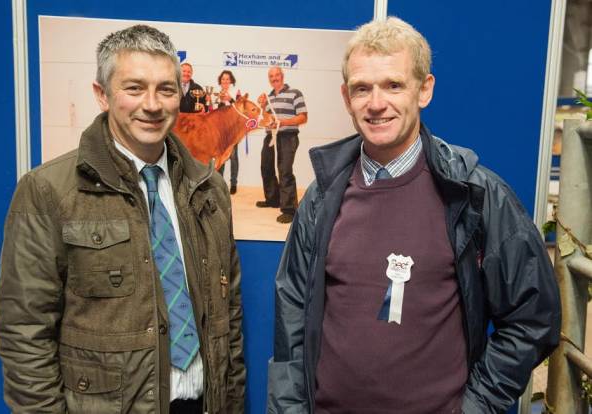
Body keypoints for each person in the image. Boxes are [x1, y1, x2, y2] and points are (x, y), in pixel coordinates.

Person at [267, 17, 560, 414]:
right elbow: (292, 323)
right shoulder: (322, 197)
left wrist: (475, 407)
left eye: (393, 85)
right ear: (345, 97)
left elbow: (532, 319)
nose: (375, 103)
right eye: (361, 88)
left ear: (424, 90)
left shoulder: (475, 194)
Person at [0, 24, 245, 414]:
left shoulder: (208, 189)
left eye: (166, 89)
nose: (152, 104)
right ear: (102, 94)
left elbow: (228, 317)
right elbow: (24, 332)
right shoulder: (47, 191)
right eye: (134, 88)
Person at [257, 66, 308, 224]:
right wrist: (262, 105)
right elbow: (265, 119)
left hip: (288, 136)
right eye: (271, 76)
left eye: (276, 75)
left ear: (282, 76)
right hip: (271, 136)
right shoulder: (268, 97)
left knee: (285, 170)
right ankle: (273, 199)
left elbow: (303, 117)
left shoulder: (295, 93)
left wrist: (283, 122)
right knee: (266, 167)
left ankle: (289, 209)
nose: (274, 78)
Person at [215, 69, 240, 194]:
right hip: (220, 132)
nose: (225, 81)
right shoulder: (216, 94)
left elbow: (239, 111)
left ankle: (234, 184)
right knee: (221, 158)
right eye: (223, 79)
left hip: (232, 131)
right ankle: (220, 183)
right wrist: (218, 101)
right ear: (220, 81)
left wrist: (230, 99)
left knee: (234, 157)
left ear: (231, 81)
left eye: (227, 79)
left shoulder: (235, 94)